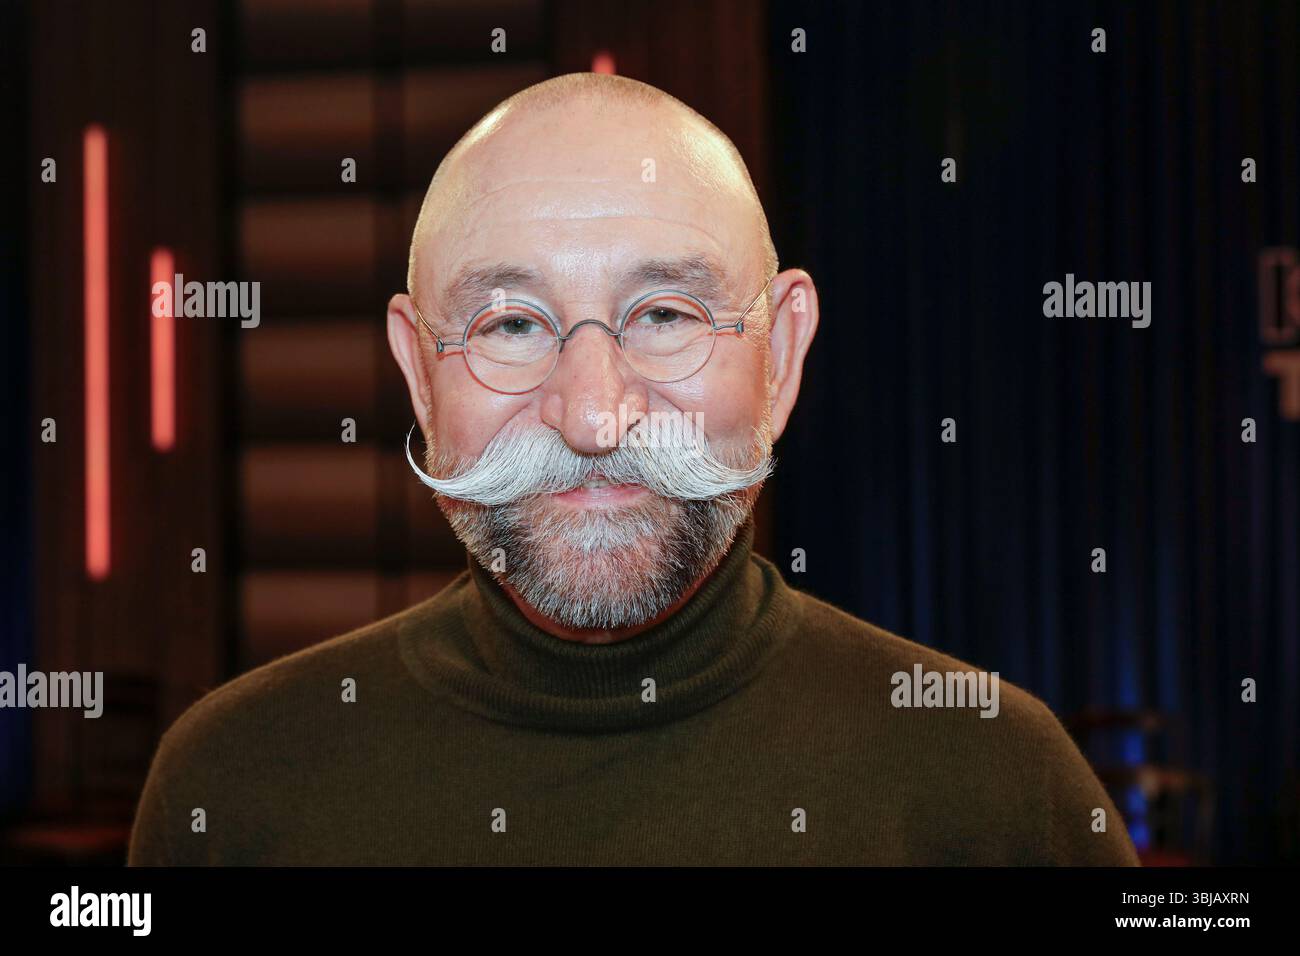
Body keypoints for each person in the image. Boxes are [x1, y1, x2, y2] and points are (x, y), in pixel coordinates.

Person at [128, 72, 1139, 866]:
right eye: (510, 325)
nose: (592, 416)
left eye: (664, 314)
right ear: (418, 375)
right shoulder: (233, 787)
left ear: (781, 356)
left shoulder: (996, 789)